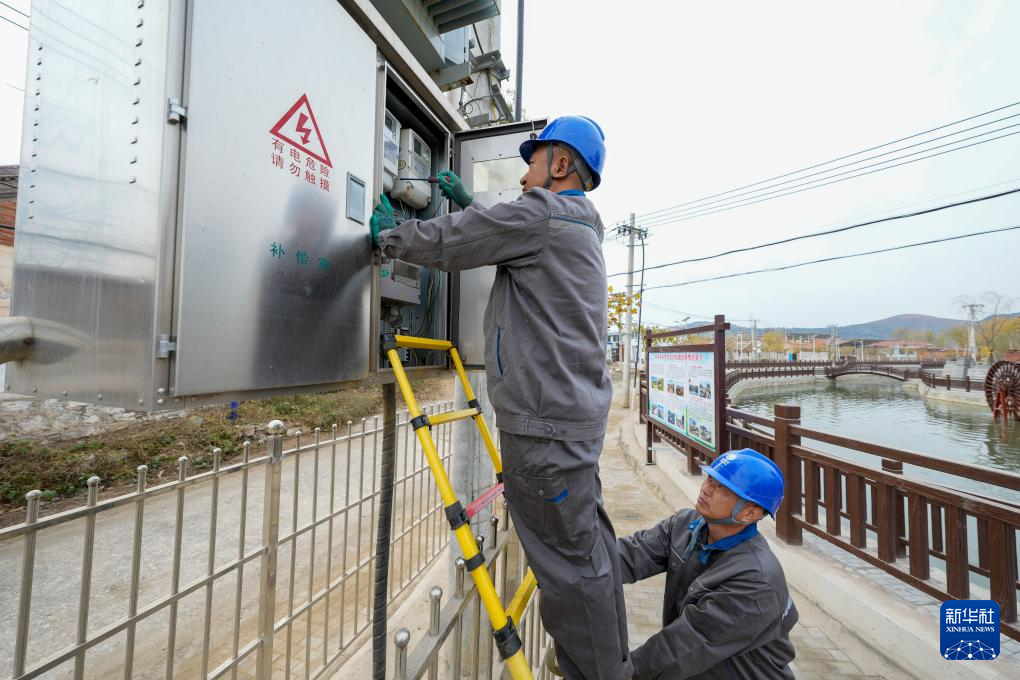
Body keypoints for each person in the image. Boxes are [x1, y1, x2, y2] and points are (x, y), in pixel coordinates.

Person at [371, 116, 630, 679]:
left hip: (543, 433)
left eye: (532, 161)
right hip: (571, 425)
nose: (524, 173)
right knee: (590, 558)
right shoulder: (579, 225)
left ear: (560, 165)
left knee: (569, 573)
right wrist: (472, 204)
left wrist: (391, 236)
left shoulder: (544, 214)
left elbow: (461, 238)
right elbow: (495, 227)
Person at [617, 449, 799, 679]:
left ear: (750, 514)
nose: (707, 488)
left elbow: (682, 648)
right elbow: (628, 555)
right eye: (710, 479)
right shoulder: (686, 525)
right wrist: (570, 565)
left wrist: (615, 673)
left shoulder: (756, 582)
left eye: (722, 487)